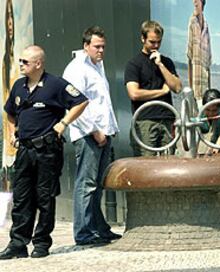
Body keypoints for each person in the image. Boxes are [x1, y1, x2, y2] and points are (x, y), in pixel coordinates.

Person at [0, 45, 88, 259]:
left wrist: (64, 122)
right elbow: (10, 113)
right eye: (20, 61)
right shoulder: (19, 86)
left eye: (25, 62)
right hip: (25, 150)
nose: (21, 65)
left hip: (47, 150)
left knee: (45, 198)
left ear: (38, 64)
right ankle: (18, 244)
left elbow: (81, 101)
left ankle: (41, 243)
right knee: (21, 198)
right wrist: (12, 133)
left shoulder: (55, 85)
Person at [63, 26, 121, 246]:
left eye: (103, 46)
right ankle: (83, 232)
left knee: (97, 184)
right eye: (97, 46)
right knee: (86, 184)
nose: (101, 50)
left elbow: (102, 101)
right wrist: (94, 131)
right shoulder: (77, 68)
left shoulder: (98, 66)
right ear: (86, 45)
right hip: (89, 134)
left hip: (104, 131)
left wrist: (110, 128)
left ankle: (99, 228)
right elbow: (75, 104)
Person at [125, 20, 182, 157]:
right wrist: (161, 91)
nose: (155, 46)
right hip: (145, 120)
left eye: (159, 42)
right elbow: (134, 93)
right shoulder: (134, 64)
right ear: (142, 39)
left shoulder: (166, 62)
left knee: (169, 162)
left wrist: (160, 65)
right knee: (146, 163)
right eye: (152, 42)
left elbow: (178, 87)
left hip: (167, 118)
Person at [2, 0, 19, 169]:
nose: (10, 24)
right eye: (7, 19)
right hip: (14, 115)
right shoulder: (6, 61)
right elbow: (6, 94)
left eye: (11, 19)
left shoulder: (18, 55)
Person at [187, 0, 212, 105]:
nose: (195, 3)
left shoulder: (206, 26)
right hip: (195, 88)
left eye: (197, 1)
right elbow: (189, 57)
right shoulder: (192, 22)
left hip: (205, 87)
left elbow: (208, 63)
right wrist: (191, 90)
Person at [198, 89, 220, 154]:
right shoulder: (198, 109)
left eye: (214, 110)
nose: (211, 113)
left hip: (219, 132)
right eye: (207, 110)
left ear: (219, 107)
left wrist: (216, 148)